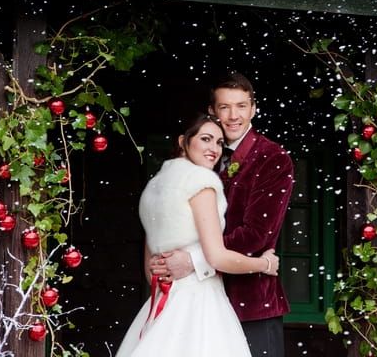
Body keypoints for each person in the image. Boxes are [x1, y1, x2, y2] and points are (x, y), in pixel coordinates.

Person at [150, 72, 294, 357]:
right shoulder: (200, 158)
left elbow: (256, 236)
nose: (233, 116)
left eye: (241, 106)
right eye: (225, 107)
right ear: (212, 111)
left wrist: (193, 260)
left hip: (250, 305)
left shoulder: (273, 158)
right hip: (194, 302)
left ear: (253, 109)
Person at [115, 113, 280, 357]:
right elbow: (217, 258)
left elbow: (151, 270)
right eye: (205, 139)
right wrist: (264, 264)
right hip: (200, 302)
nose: (214, 148)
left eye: (219, 142)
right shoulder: (201, 181)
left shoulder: (154, 186)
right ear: (183, 141)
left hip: (163, 300)